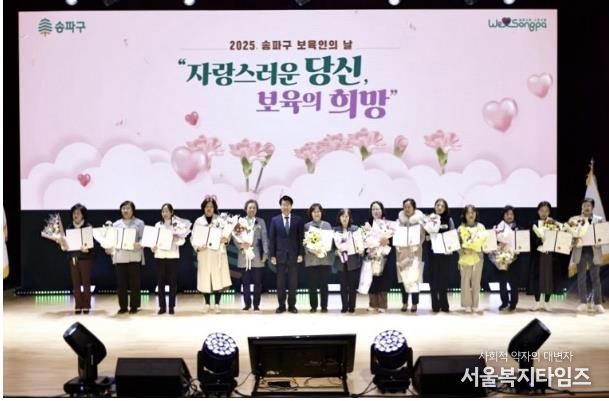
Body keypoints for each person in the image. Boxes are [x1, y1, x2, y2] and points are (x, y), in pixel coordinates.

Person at [191, 196, 232, 313]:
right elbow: (193, 237)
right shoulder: (198, 221)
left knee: (218, 278)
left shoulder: (220, 220)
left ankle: (217, 304)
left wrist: (226, 239)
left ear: (214, 208)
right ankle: (207, 303)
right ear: (203, 208)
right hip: (204, 253)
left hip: (217, 253)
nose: (209, 209)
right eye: (207, 207)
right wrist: (197, 247)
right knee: (205, 278)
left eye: (211, 207)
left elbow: (227, 235)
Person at [107, 200, 145, 314]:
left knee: (135, 283)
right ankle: (123, 306)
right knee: (121, 284)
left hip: (134, 256)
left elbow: (144, 238)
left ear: (133, 210)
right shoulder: (116, 224)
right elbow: (112, 240)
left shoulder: (139, 223)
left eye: (128, 208)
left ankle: (134, 306)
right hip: (120, 257)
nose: (125, 210)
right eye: (123, 208)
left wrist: (139, 244)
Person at [268, 195, 304, 314]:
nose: (285, 207)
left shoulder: (298, 220)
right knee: (280, 283)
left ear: (291, 206)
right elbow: (272, 239)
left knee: (293, 282)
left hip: (294, 255)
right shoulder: (275, 220)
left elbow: (301, 239)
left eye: (288, 205)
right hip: (280, 256)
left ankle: (292, 305)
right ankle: (281, 305)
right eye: (283, 204)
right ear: (280, 206)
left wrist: (300, 254)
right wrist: (272, 255)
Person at [153, 203, 190, 315]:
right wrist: (153, 247)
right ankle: (162, 306)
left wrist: (177, 238)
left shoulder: (177, 225)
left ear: (172, 212)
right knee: (160, 282)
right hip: (160, 255)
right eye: (163, 211)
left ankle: (171, 306)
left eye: (167, 211)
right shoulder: (157, 225)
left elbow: (182, 241)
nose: (165, 213)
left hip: (172, 255)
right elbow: (154, 240)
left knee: (172, 282)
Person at [233, 199, 268, 312]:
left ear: (256, 210)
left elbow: (264, 238)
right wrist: (241, 245)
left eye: (254, 208)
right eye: (250, 207)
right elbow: (235, 237)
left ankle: (256, 304)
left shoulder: (260, 221)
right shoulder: (240, 221)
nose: (252, 209)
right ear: (245, 209)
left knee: (258, 282)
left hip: (256, 254)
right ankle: (247, 304)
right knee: (245, 282)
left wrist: (265, 253)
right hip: (244, 254)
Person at [570, 198, 605, 313]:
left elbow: (603, 235)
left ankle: (597, 303)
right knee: (581, 278)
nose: (586, 207)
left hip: (594, 251)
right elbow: (571, 236)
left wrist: (598, 240)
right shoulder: (576, 220)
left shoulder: (599, 220)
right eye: (584, 205)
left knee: (596, 278)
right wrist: (574, 240)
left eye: (588, 205)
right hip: (581, 251)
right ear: (582, 207)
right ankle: (583, 302)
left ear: (592, 207)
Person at [527, 201, 563, 312]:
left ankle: (547, 302)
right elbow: (529, 240)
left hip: (550, 256)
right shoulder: (533, 224)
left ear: (550, 212)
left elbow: (559, 239)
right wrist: (539, 240)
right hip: (537, 255)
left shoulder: (554, 223)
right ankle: (537, 302)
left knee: (549, 278)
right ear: (538, 211)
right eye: (541, 211)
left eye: (546, 211)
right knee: (536, 277)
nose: (544, 213)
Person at [59, 204, 94, 314]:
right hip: (73, 258)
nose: (76, 215)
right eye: (74, 213)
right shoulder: (69, 228)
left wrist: (87, 249)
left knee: (86, 283)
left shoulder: (88, 227)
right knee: (76, 283)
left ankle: (86, 305)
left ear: (83, 215)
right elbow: (67, 246)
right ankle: (78, 305)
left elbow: (93, 245)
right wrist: (62, 244)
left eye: (78, 213)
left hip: (85, 259)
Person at [395, 198, 425, 313]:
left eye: (409, 207)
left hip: (415, 253)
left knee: (414, 278)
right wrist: (398, 246)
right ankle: (404, 302)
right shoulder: (398, 221)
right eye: (405, 207)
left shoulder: (420, 221)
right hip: (402, 253)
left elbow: (422, 237)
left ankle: (414, 303)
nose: (407, 209)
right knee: (403, 278)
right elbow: (396, 236)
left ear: (414, 208)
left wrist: (417, 245)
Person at [425, 198, 455, 313]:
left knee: (444, 279)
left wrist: (450, 247)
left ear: (445, 208)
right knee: (433, 279)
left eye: (442, 206)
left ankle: (444, 303)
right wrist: (429, 237)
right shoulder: (429, 219)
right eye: (438, 205)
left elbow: (452, 235)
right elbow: (426, 236)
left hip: (445, 254)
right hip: (432, 253)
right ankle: (435, 304)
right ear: (435, 206)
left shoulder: (449, 219)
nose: (440, 207)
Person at [303, 203, 333, 313]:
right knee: (312, 285)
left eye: (318, 212)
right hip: (312, 260)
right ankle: (313, 306)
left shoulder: (327, 225)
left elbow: (330, 242)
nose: (316, 214)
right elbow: (304, 243)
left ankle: (324, 306)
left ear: (321, 213)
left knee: (324, 285)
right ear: (311, 213)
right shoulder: (307, 226)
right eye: (314, 212)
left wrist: (324, 249)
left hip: (325, 260)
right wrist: (311, 250)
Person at [457, 204, 487, 313]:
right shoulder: (461, 228)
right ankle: (467, 304)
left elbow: (485, 243)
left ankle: (475, 304)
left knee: (476, 281)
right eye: (468, 213)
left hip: (478, 256)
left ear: (476, 214)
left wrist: (484, 249)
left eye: (473, 212)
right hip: (465, 256)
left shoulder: (481, 227)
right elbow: (457, 244)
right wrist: (463, 251)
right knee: (465, 281)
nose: (471, 215)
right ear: (464, 215)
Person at [490, 205, 520, 311]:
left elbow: (520, 241)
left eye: (511, 214)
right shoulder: (498, 227)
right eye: (507, 214)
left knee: (513, 282)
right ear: (503, 215)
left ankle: (513, 303)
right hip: (502, 258)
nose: (509, 216)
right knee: (502, 282)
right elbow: (497, 237)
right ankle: (504, 302)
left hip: (514, 257)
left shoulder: (517, 227)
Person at [334, 209, 362, 313]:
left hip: (352, 260)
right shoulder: (335, 230)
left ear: (350, 218)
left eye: (346, 216)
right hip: (340, 261)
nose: (344, 219)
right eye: (342, 216)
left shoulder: (355, 229)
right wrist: (335, 251)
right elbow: (332, 246)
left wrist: (360, 249)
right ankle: (344, 306)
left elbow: (360, 244)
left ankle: (352, 306)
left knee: (352, 286)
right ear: (339, 218)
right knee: (343, 285)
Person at [366, 201, 392, 313]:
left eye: (377, 209)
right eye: (373, 209)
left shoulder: (387, 224)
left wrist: (387, 241)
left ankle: (382, 305)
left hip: (383, 255)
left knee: (382, 279)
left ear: (382, 210)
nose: (375, 211)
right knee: (371, 280)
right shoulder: (368, 224)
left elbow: (392, 240)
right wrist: (368, 247)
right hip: (371, 255)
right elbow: (364, 239)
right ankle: (372, 304)